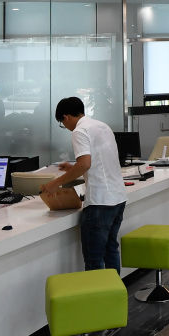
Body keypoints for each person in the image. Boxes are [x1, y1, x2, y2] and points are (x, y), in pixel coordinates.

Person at [42, 96, 126, 273]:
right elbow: (100, 162)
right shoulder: (103, 126)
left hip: (100, 202)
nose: (65, 126)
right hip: (118, 197)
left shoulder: (79, 131)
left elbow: (85, 164)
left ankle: (97, 291)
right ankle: (114, 289)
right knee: (111, 249)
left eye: (62, 123)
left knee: (94, 259)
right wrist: (73, 168)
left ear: (66, 117)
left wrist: (55, 183)